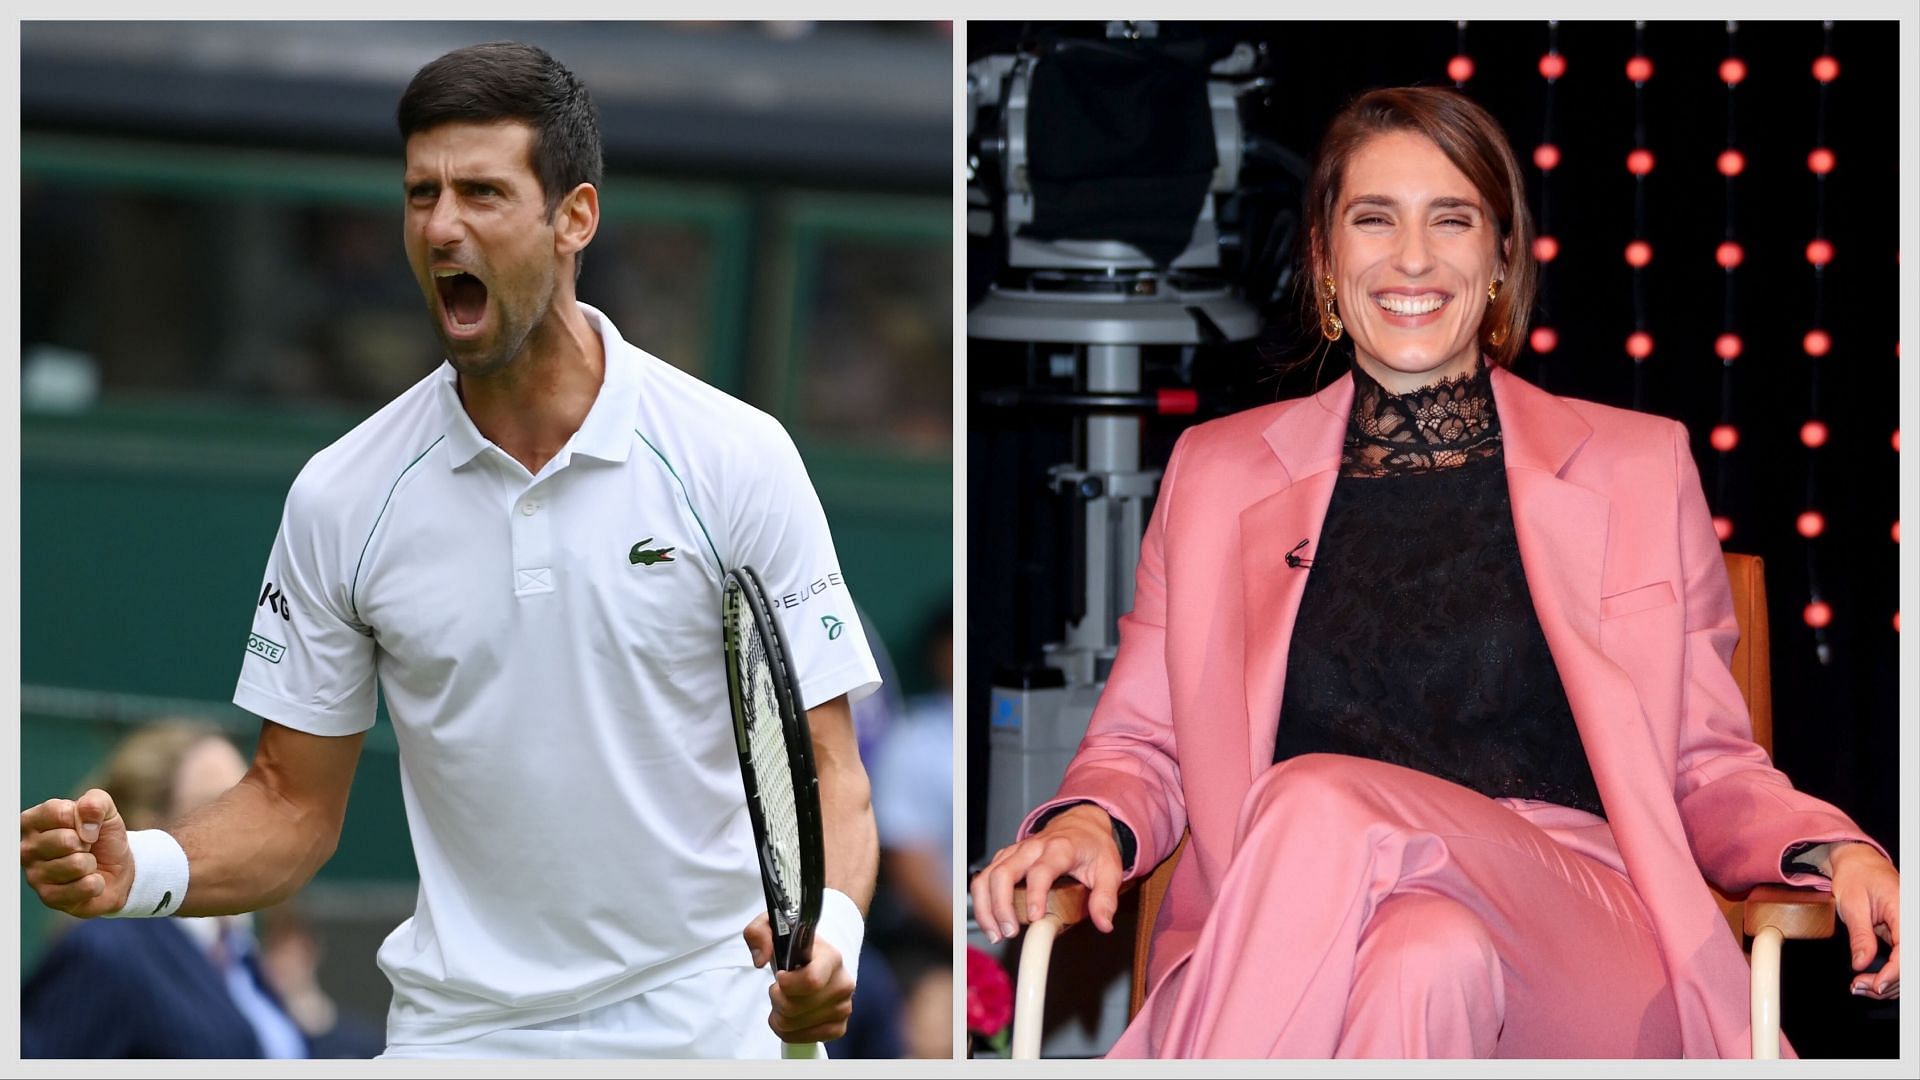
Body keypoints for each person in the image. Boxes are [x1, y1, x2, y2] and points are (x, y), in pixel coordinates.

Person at [971, 86, 1900, 1059]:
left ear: (1500, 260)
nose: (1412, 258)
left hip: (1579, 932)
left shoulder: (1638, 466)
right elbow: (1144, 747)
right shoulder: (1215, 475)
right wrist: (1085, 821)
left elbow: (1706, 765)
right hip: (1316, 932)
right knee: (1424, 957)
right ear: (1326, 266)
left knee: (1313, 799)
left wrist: (1830, 848)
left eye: (1450, 219)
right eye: (1375, 220)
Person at [20, 42, 882, 1059]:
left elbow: (831, 773)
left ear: (575, 219)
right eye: (420, 194)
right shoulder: (342, 496)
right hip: (460, 1037)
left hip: (714, 1025)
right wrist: (143, 871)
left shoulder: (736, 458)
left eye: (481, 191)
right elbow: (293, 805)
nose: (440, 227)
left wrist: (828, 939)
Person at [22, 723, 309, 1059]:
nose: (246, 831)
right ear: (148, 828)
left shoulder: (236, 951)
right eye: (218, 807)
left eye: (250, 809)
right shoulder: (105, 951)